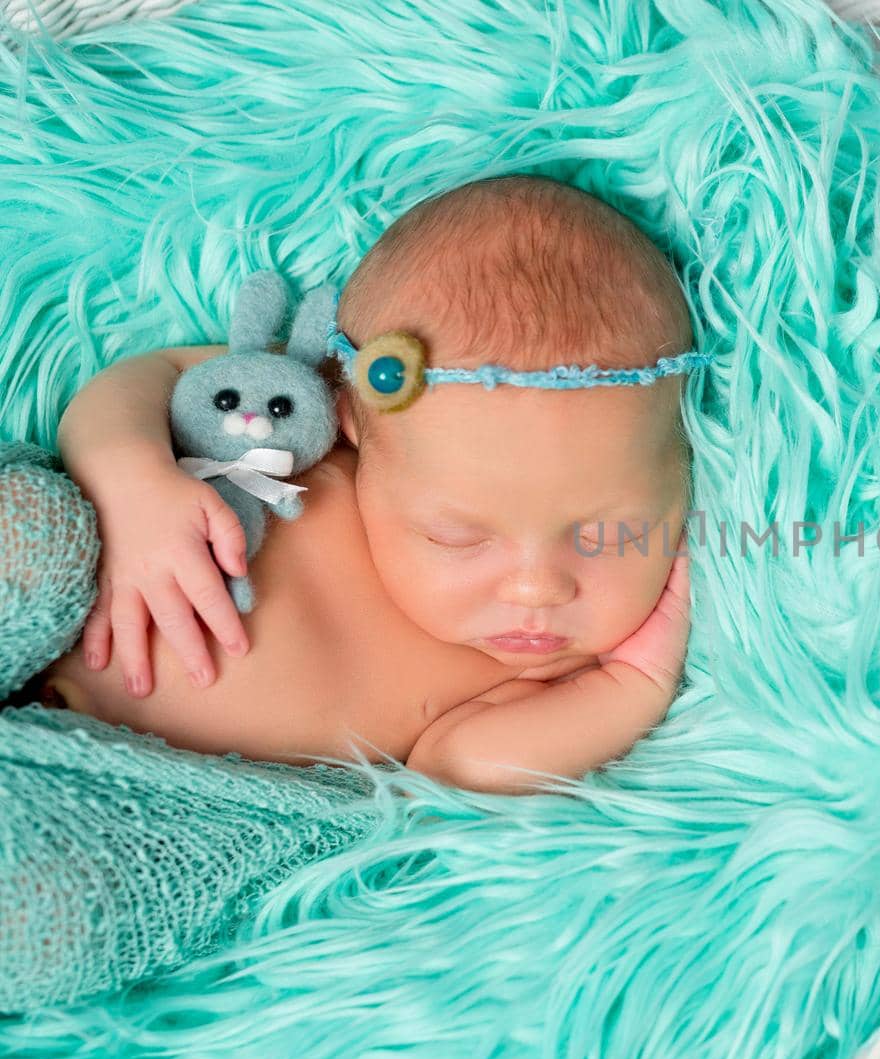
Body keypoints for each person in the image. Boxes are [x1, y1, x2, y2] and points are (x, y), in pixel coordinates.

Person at [12, 174, 702, 795]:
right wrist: (131, 486)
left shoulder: (554, 667)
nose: (536, 588)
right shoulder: (316, 428)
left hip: (123, 798)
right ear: (350, 417)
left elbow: (457, 768)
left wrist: (631, 686)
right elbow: (152, 374)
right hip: (51, 588)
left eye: (601, 535)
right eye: (456, 535)